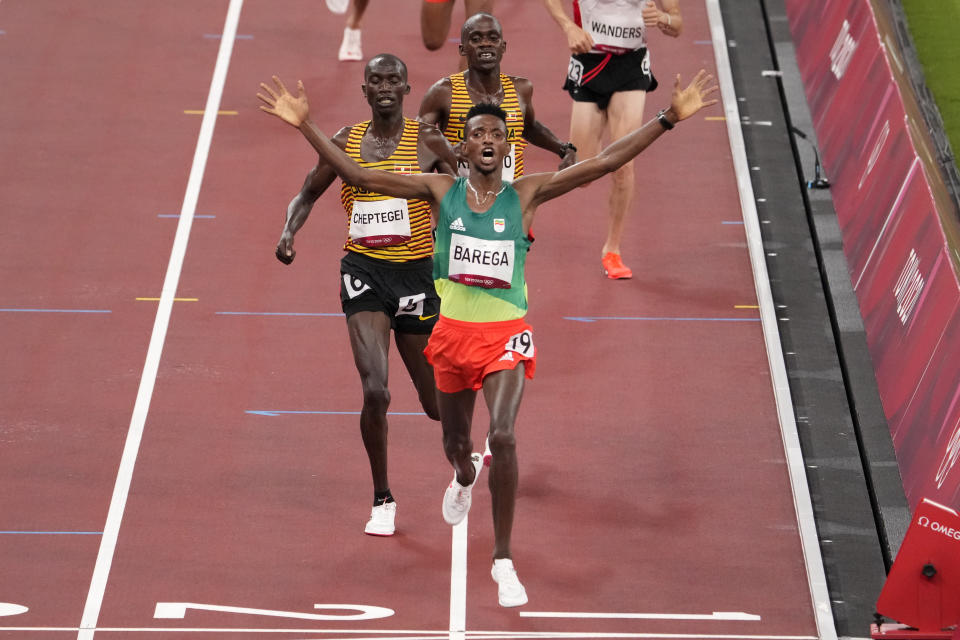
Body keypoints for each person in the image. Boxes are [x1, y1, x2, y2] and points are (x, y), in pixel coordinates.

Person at [258, 67, 717, 606]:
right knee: (457, 443)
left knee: (503, 435)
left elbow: (605, 162)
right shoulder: (438, 190)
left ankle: (503, 560)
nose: (488, 141)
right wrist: (307, 126)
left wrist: (668, 118)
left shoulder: (527, 193)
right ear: (464, 144)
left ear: (506, 146)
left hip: (505, 336)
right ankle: (462, 474)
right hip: (451, 337)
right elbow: (363, 176)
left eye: (497, 135)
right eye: (477, 133)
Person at [273, 54, 457, 537]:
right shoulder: (344, 141)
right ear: (365, 90)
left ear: (406, 88)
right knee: (375, 389)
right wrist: (289, 231)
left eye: (393, 79)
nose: (384, 87)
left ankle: (465, 451)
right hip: (364, 274)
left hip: (418, 278)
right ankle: (382, 498)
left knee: (436, 404)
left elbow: (462, 196)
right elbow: (308, 192)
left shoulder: (428, 141)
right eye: (375, 79)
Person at [542, 0, 682, 279]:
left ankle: (613, 249)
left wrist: (663, 19)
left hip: (631, 67)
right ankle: (532, 201)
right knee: (580, 174)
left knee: (623, 164)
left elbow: (677, 23)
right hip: (590, 62)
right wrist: (568, 26)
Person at [419, 12, 578, 181]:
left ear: (503, 46)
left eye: (493, 38)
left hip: (508, 198)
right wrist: (447, 157)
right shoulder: (444, 92)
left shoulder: (521, 89)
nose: (485, 44)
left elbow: (528, 127)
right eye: (476, 39)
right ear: (462, 49)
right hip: (459, 199)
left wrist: (563, 149)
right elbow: (419, 138)